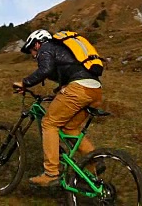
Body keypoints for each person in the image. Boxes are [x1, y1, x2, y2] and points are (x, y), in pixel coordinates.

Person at [12, 29, 104, 187]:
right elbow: (68, 71)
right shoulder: (61, 51)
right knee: (70, 129)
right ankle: (94, 162)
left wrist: (25, 83)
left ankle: (51, 173)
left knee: (49, 123)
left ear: (38, 43)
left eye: (32, 50)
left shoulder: (46, 47)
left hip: (79, 89)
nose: (33, 55)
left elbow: (45, 69)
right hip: (95, 90)